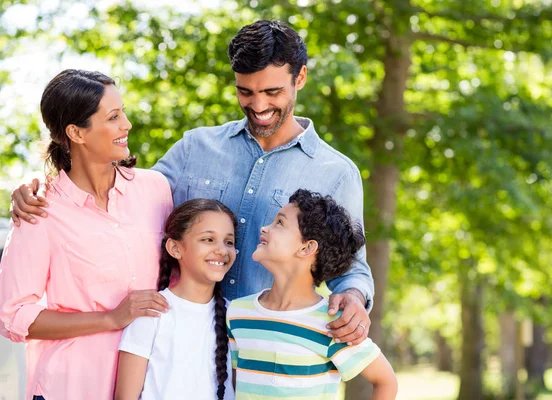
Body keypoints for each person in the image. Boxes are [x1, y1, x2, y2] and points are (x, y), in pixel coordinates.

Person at [10, 20, 374, 345]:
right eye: (245, 92)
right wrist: (41, 186)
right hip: (180, 346)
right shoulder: (195, 148)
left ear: (301, 78)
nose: (258, 105)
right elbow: (119, 194)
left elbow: (351, 267)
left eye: (272, 92)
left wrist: (355, 298)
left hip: (267, 349)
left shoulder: (335, 173)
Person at [0, 69, 173, 400]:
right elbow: (13, 316)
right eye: (113, 117)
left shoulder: (155, 190)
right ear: (76, 133)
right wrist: (110, 318)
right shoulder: (40, 210)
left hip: (149, 385)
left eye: (123, 112)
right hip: (71, 387)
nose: (127, 125)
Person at [227, 189, 398, 399]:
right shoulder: (237, 313)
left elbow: (385, 381)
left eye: (279, 223)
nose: (264, 228)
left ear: (307, 247)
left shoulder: (334, 324)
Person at [115, 199, 236, 400]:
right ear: (175, 248)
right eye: (208, 239)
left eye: (229, 242)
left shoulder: (235, 316)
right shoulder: (152, 311)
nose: (222, 250)